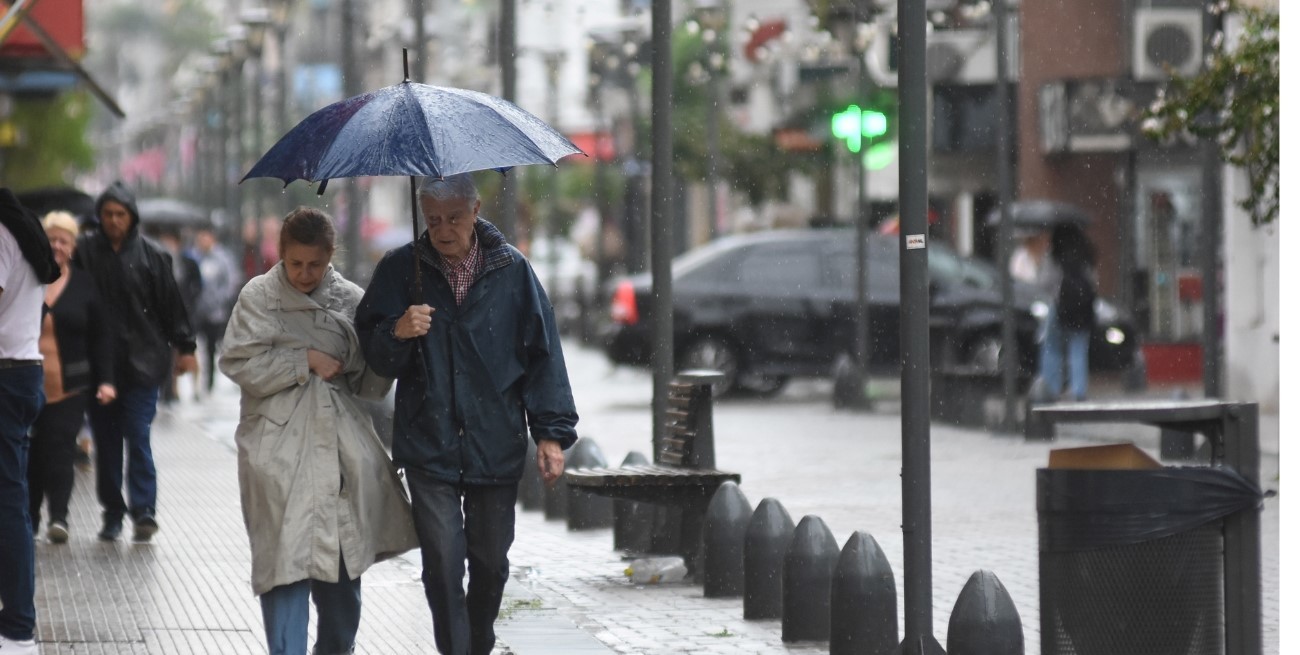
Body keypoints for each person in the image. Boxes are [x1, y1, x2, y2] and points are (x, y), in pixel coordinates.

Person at [355, 174, 578, 655]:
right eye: (433, 219)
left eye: (453, 218)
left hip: (493, 441)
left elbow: (542, 354)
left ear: (476, 211)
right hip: (427, 441)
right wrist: (398, 330)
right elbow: (374, 357)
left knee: (491, 562)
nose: (442, 229)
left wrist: (551, 434)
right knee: (442, 563)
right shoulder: (401, 271)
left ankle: (479, 642)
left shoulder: (512, 271)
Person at [219, 207, 417, 655]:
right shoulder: (258, 296)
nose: (305, 274)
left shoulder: (351, 299)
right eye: (295, 264)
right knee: (284, 567)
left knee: (342, 574)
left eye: (315, 264)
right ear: (280, 255)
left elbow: (370, 382)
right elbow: (237, 360)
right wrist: (302, 360)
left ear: (331, 256)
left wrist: (396, 338)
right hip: (277, 451)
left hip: (340, 451)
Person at [73, 182, 198, 542]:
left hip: (143, 363)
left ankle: (144, 509)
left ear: (131, 218)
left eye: (120, 214)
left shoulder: (153, 256)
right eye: (108, 214)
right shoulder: (85, 253)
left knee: (138, 436)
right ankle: (113, 511)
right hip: (100, 367)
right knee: (107, 442)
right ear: (100, 216)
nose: (114, 220)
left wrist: (185, 349)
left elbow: (171, 306)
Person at [27, 211, 116, 544]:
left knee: (60, 447)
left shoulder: (84, 285)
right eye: (52, 239)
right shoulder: (29, 280)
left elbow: (101, 336)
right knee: (32, 453)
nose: (57, 246)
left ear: (73, 247)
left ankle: (59, 517)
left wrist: (106, 381)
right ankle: (30, 518)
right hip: (29, 384)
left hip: (71, 385)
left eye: (64, 240)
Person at [0, 188, 60, 655]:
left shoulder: (1, 233)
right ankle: (16, 624)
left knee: (8, 502)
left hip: (5, 374)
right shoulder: (24, 228)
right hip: (22, 371)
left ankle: (18, 629)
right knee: (10, 500)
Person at [1036, 222, 1097, 402]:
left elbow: (1044, 282)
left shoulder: (1055, 254)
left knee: (1052, 347)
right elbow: (1093, 281)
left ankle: (1050, 388)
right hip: (1083, 309)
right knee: (1078, 349)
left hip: (1060, 306)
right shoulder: (1086, 253)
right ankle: (1078, 390)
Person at [190, 227, 240, 393]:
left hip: (216, 312)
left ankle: (210, 382)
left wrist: (220, 300)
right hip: (197, 311)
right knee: (195, 347)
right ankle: (196, 383)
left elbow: (231, 281)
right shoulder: (194, 257)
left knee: (213, 347)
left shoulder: (222, 258)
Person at [155, 229, 203, 404]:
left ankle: (193, 386)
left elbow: (197, 284)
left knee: (186, 350)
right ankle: (169, 388)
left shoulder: (188, 262)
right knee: (168, 351)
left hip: (186, 312)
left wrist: (190, 300)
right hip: (165, 314)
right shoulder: (158, 259)